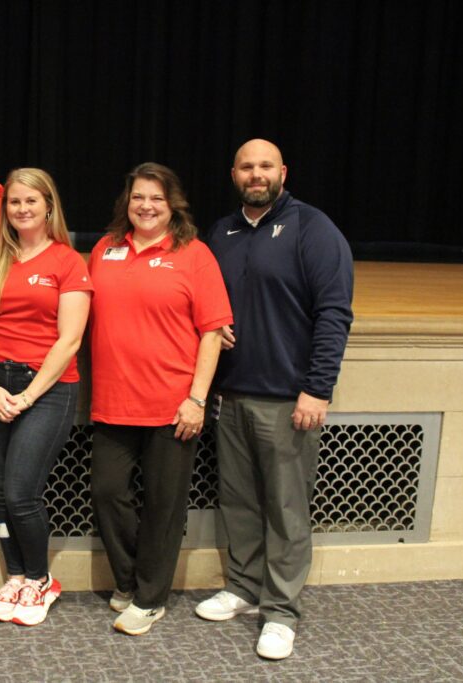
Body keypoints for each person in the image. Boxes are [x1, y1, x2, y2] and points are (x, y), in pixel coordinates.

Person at [197, 139, 354, 660]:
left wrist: (318, 388)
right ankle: (243, 588)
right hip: (231, 395)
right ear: (234, 173)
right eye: (247, 166)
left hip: (289, 399)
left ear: (282, 171)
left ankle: (281, 611)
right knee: (239, 502)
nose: (256, 174)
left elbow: (334, 312)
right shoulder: (222, 232)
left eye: (266, 166)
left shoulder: (313, 228)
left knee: (286, 509)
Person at [88, 162, 232, 636]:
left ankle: (150, 599)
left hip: (173, 407)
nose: (146, 206)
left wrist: (196, 399)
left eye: (156, 198)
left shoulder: (195, 255)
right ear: (125, 203)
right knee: (108, 493)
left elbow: (213, 333)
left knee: (164, 506)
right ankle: (130, 579)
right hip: (112, 401)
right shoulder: (104, 250)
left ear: (173, 206)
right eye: (137, 198)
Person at [0, 168, 92, 626]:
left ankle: (40, 580)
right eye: (14, 202)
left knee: (21, 493)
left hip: (49, 389)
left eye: (31, 202)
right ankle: (16, 576)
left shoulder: (69, 262)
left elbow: (70, 341)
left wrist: (27, 395)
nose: (21, 209)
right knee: (1, 492)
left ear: (49, 207)